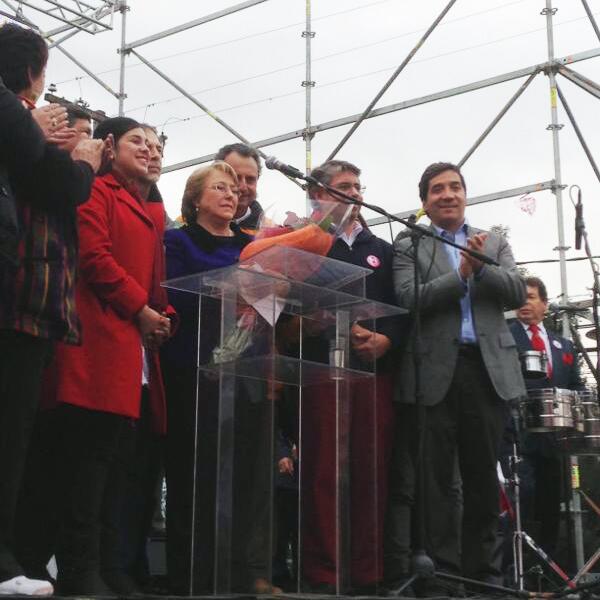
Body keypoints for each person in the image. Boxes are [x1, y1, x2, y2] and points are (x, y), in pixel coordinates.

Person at [50, 117, 174, 596]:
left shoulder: (149, 210)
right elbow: (93, 256)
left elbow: (154, 278)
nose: (150, 151)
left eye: (156, 145)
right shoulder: (98, 190)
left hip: (131, 348)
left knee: (117, 466)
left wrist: (163, 314)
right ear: (108, 147)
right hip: (98, 340)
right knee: (87, 463)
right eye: (137, 142)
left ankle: (108, 566)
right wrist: (141, 309)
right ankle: (79, 569)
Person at [0, 23, 103, 597]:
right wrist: (83, 161)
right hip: (22, 296)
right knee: (11, 436)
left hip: (29, 301)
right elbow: (59, 187)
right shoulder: (16, 117)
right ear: (33, 73)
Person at [390, 162, 526, 590]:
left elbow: (517, 293)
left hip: (487, 372)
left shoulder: (493, 240)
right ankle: (443, 577)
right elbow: (409, 298)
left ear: (465, 194)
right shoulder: (410, 243)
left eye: (454, 187)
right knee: (436, 483)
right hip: (433, 373)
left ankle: (485, 577)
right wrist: (460, 275)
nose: (447, 195)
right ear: (425, 201)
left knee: (484, 477)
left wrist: (481, 267)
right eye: (437, 189)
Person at [287, 160, 404, 593]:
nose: (354, 193)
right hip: (320, 371)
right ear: (318, 194)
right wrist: (313, 322)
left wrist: (386, 339)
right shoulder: (302, 244)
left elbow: (401, 308)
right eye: (343, 186)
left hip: (372, 374)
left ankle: (366, 572)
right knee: (322, 472)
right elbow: (287, 306)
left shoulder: (383, 249)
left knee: (371, 471)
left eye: (358, 186)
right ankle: (322, 572)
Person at [160, 161, 255, 594]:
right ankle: (189, 575)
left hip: (244, 371)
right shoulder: (178, 240)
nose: (231, 194)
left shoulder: (253, 246)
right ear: (195, 199)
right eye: (219, 187)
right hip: (191, 370)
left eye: (234, 189)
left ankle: (234, 572)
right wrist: (228, 289)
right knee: (190, 473)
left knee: (238, 476)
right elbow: (175, 292)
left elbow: (272, 299)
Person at [508, 277, 583, 560]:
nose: (523, 303)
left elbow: (576, 385)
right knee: (522, 499)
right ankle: (520, 567)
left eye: (530, 297)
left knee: (552, 504)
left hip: (555, 441)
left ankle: (549, 567)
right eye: (519, 297)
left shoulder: (563, 345)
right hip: (519, 437)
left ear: (545, 304)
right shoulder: (504, 337)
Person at [215, 142, 263, 232]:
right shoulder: (188, 227)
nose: (243, 187)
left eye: (250, 179)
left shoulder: (268, 231)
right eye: (235, 178)